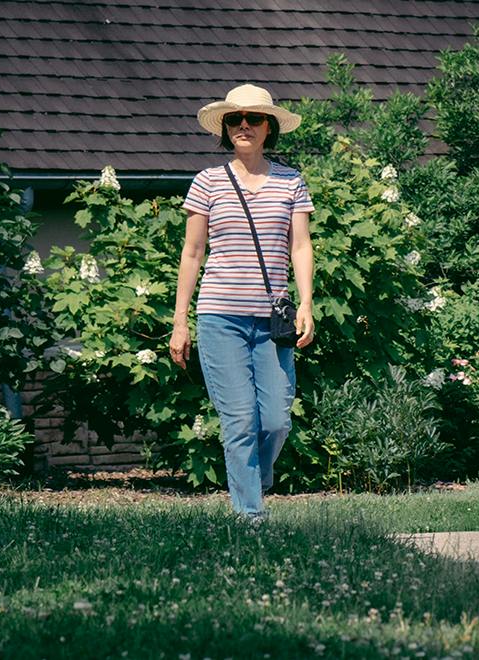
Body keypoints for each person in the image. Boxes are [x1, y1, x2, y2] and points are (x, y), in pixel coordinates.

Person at [170, 84, 315, 523]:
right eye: (236, 119)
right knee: (238, 422)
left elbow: (301, 247)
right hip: (220, 318)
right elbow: (192, 253)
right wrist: (180, 322)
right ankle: (250, 517)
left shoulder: (291, 181)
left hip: (273, 321)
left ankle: (255, 477)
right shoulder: (208, 182)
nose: (244, 126)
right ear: (226, 128)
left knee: (275, 421)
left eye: (254, 118)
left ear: (269, 126)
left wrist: (306, 303)